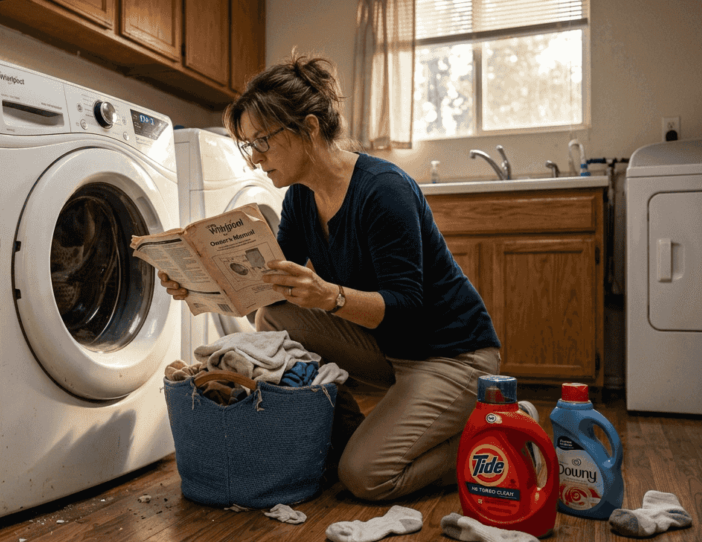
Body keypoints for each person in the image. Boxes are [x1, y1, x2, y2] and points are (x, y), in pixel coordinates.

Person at [160, 52, 501, 502]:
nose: (254, 159)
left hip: (452, 355)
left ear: (310, 128)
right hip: (389, 348)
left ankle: (495, 440)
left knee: (364, 477)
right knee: (276, 313)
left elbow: (407, 306)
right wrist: (200, 289)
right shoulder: (302, 197)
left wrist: (329, 296)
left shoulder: (384, 191)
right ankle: (345, 435)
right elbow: (267, 290)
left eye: (261, 141)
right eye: (248, 145)